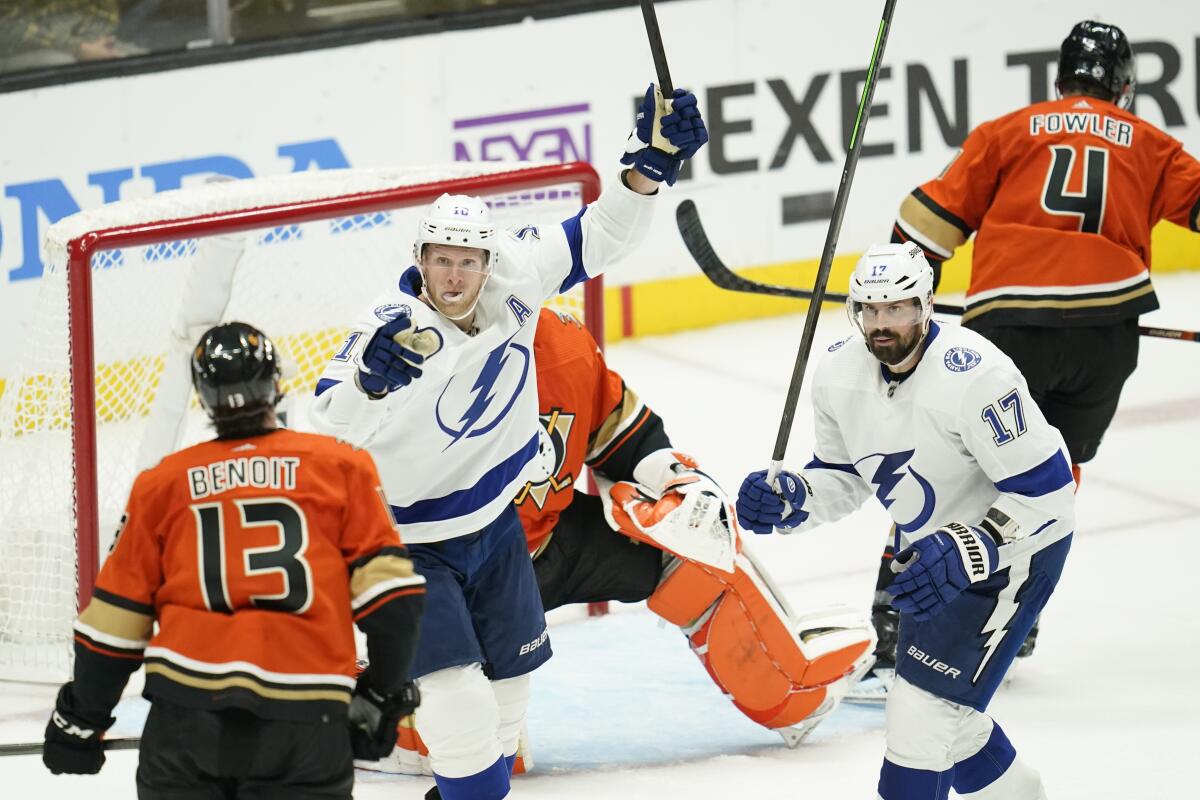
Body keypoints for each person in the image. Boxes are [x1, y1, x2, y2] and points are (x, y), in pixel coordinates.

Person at [308, 83, 707, 800]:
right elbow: (333, 412)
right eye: (439, 260)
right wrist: (370, 381)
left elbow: (603, 232)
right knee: (458, 708)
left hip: (495, 528)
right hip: (411, 541)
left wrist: (647, 169)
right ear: (419, 260)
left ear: (488, 262)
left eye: (466, 261)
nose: (453, 275)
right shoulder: (389, 328)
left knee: (510, 698)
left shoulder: (518, 276)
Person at [375, 308, 875, 776]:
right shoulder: (416, 360)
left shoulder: (563, 344)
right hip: (450, 570)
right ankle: (383, 732)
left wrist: (674, 480)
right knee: (484, 747)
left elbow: (626, 438)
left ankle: (785, 697)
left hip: (546, 546)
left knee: (690, 550)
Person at [877, 19, 1200, 670]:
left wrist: (901, 306)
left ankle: (895, 625)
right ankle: (1014, 616)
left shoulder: (1009, 130)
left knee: (953, 469)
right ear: (1124, 87)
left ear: (1060, 80)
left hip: (1009, 328)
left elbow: (925, 228)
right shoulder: (1151, 144)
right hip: (1104, 336)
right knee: (1046, 481)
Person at [737, 244, 1076, 800]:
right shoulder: (838, 373)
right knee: (950, 723)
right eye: (870, 310)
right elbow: (844, 477)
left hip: (1012, 559)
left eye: (896, 309)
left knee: (919, 724)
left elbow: (1051, 496)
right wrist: (795, 497)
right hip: (930, 562)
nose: (881, 324)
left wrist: (973, 545)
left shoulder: (978, 376)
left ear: (926, 305)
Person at [41, 322, 426, 798]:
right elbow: (395, 605)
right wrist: (380, 694)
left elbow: (112, 629)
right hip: (305, 723)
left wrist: (79, 719)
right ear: (277, 383)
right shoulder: (341, 467)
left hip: (185, 724)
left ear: (203, 397)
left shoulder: (162, 485)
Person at [0, 0, 140, 73]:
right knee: (60, 64)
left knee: (138, 58)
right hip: (16, 53)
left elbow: (106, 17)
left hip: (87, 43)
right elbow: (7, 26)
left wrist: (92, 45)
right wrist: (76, 47)